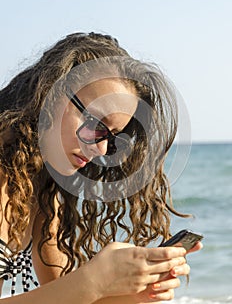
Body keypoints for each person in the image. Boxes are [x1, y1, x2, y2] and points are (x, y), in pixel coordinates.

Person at [0, 32, 202, 303]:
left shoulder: (39, 189)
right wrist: (94, 281)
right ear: (50, 89)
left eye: (111, 136)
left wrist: (132, 294)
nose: (102, 149)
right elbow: (78, 291)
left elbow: (64, 297)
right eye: (95, 121)